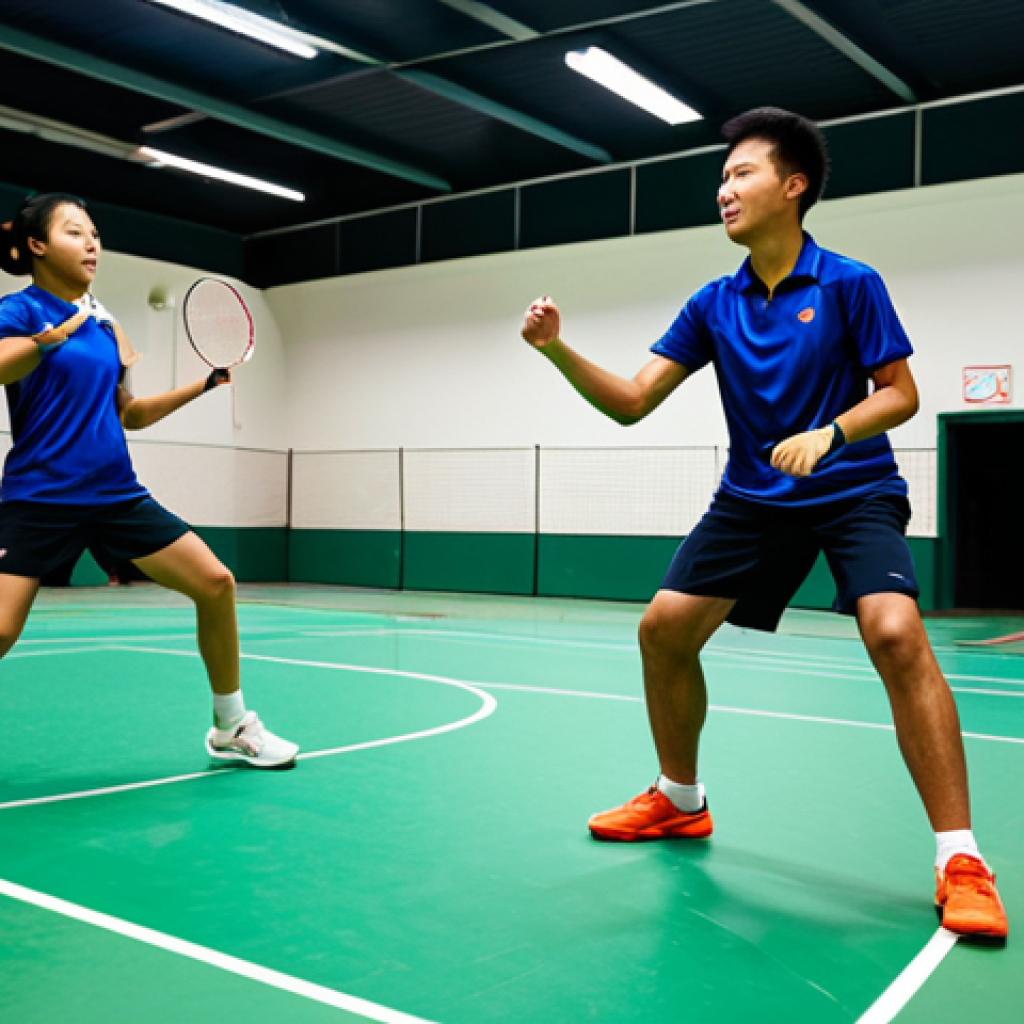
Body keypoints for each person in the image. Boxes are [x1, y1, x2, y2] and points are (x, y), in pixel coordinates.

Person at [520, 109, 1006, 938]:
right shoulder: (715, 303)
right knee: (663, 629)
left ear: (794, 186)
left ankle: (960, 857)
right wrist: (558, 350)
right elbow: (634, 402)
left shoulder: (851, 283)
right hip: (752, 497)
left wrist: (832, 431)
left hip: (852, 486)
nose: (725, 189)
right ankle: (680, 800)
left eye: (742, 172)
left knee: (895, 632)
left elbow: (901, 394)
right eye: (722, 177)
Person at [0, 192, 298, 769]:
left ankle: (231, 725)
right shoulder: (22, 310)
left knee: (215, 583)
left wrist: (203, 386)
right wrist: (45, 342)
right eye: (74, 232)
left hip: (115, 492)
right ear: (37, 246)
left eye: (94, 233)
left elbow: (128, 414)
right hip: (40, 495)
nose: (92, 243)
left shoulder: (106, 325)